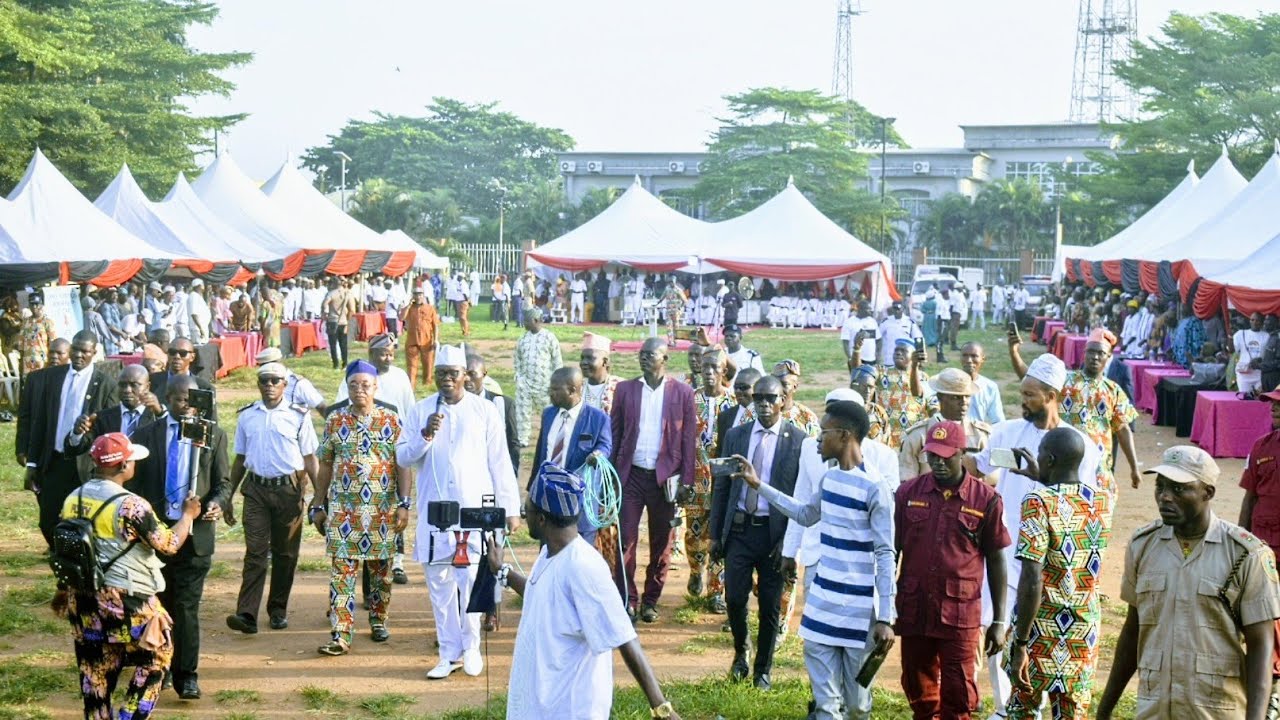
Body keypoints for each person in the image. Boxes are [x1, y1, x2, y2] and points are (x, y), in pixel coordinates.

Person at [1096, 446, 1280, 720]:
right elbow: (1133, 630)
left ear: (1208, 493)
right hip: (1155, 710)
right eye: (1160, 487)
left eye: (1179, 489)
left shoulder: (1245, 554)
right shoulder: (1143, 546)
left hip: (1216, 711)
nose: (1165, 497)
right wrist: (1104, 709)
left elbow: (1261, 645)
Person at [488, 464, 682, 720]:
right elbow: (541, 596)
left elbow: (624, 636)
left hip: (569, 709)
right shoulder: (550, 552)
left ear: (543, 519)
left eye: (528, 511)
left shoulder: (583, 567)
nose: (525, 517)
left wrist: (661, 708)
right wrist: (502, 571)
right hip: (541, 705)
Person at [970, 353, 1103, 716]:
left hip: (1054, 560)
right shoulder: (1007, 431)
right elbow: (977, 468)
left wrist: (1038, 478)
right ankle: (1005, 707)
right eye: (1022, 393)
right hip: (1003, 549)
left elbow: (1080, 501)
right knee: (996, 626)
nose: (1022, 400)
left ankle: (1034, 702)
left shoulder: (1081, 446)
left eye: (1030, 394)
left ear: (1051, 395)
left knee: (1038, 633)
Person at [753, 400, 895, 719]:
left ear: (844, 436)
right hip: (821, 607)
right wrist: (757, 485)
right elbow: (805, 514)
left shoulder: (876, 489)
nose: (817, 440)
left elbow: (886, 554)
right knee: (827, 707)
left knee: (857, 706)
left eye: (823, 432)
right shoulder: (829, 479)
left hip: (860, 612)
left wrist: (886, 616)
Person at [56, 433, 201, 720]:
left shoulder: (74, 498)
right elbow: (168, 544)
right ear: (124, 466)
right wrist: (188, 516)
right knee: (158, 654)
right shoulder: (132, 505)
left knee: (95, 670)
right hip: (128, 600)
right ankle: (130, 716)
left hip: (84, 599)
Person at [396, 346, 521, 679]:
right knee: (439, 584)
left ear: (465, 375)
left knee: (470, 581)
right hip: (435, 513)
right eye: (441, 374)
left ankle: (471, 648)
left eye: (453, 373)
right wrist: (425, 435)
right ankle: (447, 652)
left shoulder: (484, 410)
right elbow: (403, 457)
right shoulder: (421, 410)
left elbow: (500, 462)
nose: (447, 380)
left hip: (473, 511)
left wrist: (509, 508)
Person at [896, 420, 1010, 720]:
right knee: (917, 684)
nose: (938, 463)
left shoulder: (986, 500)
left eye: (946, 456)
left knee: (959, 692)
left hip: (959, 613)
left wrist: (999, 619)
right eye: (932, 456)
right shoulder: (908, 493)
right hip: (915, 607)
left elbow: (997, 559)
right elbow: (890, 551)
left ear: (962, 453)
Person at [127, 375, 231, 700]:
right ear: (168, 399)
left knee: (185, 607)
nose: (187, 405)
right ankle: (162, 667)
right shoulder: (146, 436)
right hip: (155, 537)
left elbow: (223, 483)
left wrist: (215, 504)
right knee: (159, 604)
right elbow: (133, 486)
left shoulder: (212, 434)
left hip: (195, 537)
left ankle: (187, 675)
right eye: (180, 399)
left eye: (192, 399)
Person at [1005, 428, 1112, 719]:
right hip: (1082, 632)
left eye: (1040, 453)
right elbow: (1069, 504)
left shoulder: (1038, 502)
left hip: (1041, 629)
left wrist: (1021, 643)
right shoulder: (1103, 502)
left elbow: (1032, 577)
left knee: (1022, 709)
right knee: (1071, 713)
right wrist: (1044, 477)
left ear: (1049, 459)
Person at [710, 374, 805, 690]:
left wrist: (789, 544)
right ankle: (741, 651)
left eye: (770, 398)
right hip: (739, 530)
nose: (764, 404)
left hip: (773, 537)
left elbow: (799, 498)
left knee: (769, 605)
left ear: (783, 400)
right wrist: (714, 534)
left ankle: (763, 670)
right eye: (758, 398)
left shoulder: (798, 441)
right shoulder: (736, 435)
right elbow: (721, 485)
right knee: (735, 599)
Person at [310, 360, 410, 656]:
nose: (359, 391)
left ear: (375, 386)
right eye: (353, 385)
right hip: (344, 511)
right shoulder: (335, 419)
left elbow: (402, 463)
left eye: (365, 385)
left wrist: (404, 503)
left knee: (382, 571)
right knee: (342, 572)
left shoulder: (391, 419)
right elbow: (325, 463)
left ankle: (378, 620)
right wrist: (318, 502)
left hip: (382, 510)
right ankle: (341, 634)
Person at [224, 362, 318, 635]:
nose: (269, 385)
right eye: (264, 381)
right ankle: (247, 613)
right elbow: (240, 459)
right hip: (256, 490)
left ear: (285, 385)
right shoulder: (247, 416)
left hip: (289, 491)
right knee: (255, 552)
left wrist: (319, 497)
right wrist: (228, 495)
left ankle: (277, 609)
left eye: (275, 381)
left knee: (285, 553)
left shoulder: (299, 415)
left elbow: (311, 458)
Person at [609, 336, 697, 623]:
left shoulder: (682, 393)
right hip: (631, 475)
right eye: (642, 353)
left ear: (665, 359)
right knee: (625, 540)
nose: (645, 357)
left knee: (663, 543)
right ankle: (628, 599)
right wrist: (612, 474)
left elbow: (687, 441)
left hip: (664, 479)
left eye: (651, 354)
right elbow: (616, 432)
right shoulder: (625, 390)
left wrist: (685, 481)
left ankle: (651, 600)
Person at [1010, 327, 1140, 494]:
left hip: (1100, 468)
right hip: (1065, 464)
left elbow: (1123, 430)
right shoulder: (1066, 381)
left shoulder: (1113, 391)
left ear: (1108, 357)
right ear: (1083, 353)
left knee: (1098, 512)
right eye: (1091, 351)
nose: (1095, 357)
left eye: (1100, 353)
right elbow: (1030, 379)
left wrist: (1134, 467)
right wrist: (1014, 353)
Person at [18, 330, 117, 545]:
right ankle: (61, 557)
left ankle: (82, 565)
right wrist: (32, 463)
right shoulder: (54, 377)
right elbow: (40, 422)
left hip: (86, 466)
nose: (79, 355)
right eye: (75, 349)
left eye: (85, 351)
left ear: (94, 352)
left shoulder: (106, 383)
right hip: (55, 459)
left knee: (86, 522)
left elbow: (109, 428)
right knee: (48, 520)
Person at [529, 367, 612, 541]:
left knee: (578, 558)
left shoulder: (597, 418)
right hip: (548, 500)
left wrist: (598, 454)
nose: (550, 394)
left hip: (578, 504)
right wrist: (532, 490)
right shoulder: (549, 414)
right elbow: (540, 454)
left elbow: (605, 445)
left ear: (572, 390)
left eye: (555, 390)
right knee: (549, 556)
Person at [686, 348, 736, 611]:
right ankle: (696, 570)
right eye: (704, 367)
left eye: (714, 367)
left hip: (722, 483)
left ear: (724, 372)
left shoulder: (734, 403)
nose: (708, 372)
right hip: (694, 481)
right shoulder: (689, 400)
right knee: (695, 534)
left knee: (719, 536)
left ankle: (716, 591)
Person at [898, 368, 991, 481]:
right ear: (939, 397)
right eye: (956, 397)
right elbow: (907, 481)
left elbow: (990, 481)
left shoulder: (980, 435)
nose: (963, 402)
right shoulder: (918, 435)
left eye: (967, 396)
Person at [64, 365, 165, 457]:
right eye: (122, 385)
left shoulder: (156, 416)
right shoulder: (103, 417)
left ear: (147, 387)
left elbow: (169, 440)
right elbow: (76, 449)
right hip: (113, 475)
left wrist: (160, 413)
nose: (127, 390)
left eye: (134, 385)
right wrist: (77, 433)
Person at [464, 354, 521, 476]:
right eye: (463, 374)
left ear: (484, 375)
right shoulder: (452, 405)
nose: (467, 379)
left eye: (472, 374)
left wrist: (511, 472)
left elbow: (512, 442)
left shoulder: (503, 404)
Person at [1239, 389, 1280, 558]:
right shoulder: (1261, 446)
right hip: (1264, 544)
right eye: (1273, 403)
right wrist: (1240, 538)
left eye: (1279, 405)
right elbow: (1250, 496)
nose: (1273, 408)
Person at [513, 313, 563, 447]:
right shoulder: (522, 338)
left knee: (548, 412)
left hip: (544, 384)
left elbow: (557, 361)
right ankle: (522, 439)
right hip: (525, 384)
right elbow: (517, 358)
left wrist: (556, 383)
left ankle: (551, 437)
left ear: (535, 320)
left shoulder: (549, 337)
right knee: (522, 412)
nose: (524, 323)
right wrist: (518, 376)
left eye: (527, 321)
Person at [877, 339, 936, 449]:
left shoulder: (923, 377)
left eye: (903, 351)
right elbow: (860, 373)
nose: (898, 353)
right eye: (896, 350)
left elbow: (920, 395)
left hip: (913, 436)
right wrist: (857, 350)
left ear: (913, 355)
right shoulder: (882, 372)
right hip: (887, 436)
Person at [149, 338, 217, 421]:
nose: (177, 357)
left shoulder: (204, 388)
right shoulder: (151, 382)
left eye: (183, 353)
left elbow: (211, 423)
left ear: (192, 357)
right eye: (172, 352)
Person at [400, 287, 440, 390]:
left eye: (420, 294)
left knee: (428, 363)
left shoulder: (430, 308)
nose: (418, 297)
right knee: (412, 366)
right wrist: (408, 305)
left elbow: (435, 325)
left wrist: (435, 339)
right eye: (416, 294)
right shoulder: (409, 308)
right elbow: (401, 318)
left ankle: (427, 384)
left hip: (427, 341)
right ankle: (411, 386)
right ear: (413, 296)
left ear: (423, 295)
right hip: (412, 340)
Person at [961, 342, 1005, 426]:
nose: (969, 360)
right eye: (965, 355)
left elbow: (998, 421)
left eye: (974, 356)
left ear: (983, 359)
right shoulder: (950, 383)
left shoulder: (990, 387)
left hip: (978, 435)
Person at [580, 332, 622, 414]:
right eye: (582, 358)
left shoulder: (619, 387)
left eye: (589, 358)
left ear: (605, 362)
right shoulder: (577, 387)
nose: (584, 362)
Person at [19, 293, 57, 374]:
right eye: (32, 304)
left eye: (37, 304)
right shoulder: (25, 322)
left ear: (41, 305)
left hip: (42, 364)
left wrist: (51, 363)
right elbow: (21, 345)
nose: (34, 307)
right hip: (27, 364)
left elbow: (53, 344)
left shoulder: (47, 322)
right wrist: (21, 365)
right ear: (29, 305)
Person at [322, 278, 356, 369]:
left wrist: (325, 313)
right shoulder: (348, 294)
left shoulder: (331, 293)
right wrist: (348, 321)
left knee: (333, 344)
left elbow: (325, 304)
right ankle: (345, 364)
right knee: (343, 344)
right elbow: (352, 310)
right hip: (343, 321)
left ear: (333, 284)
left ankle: (336, 364)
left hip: (332, 321)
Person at [1235, 311, 1270, 396]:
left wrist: (1260, 359)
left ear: (1262, 322)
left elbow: (1268, 355)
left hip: (1259, 374)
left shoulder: (1267, 336)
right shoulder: (1240, 334)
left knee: (1259, 399)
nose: (1254, 322)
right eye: (1252, 320)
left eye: (1257, 320)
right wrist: (1228, 336)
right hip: (1244, 374)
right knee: (1245, 398)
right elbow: (1234, 350)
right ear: (1249, 321)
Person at [877, 302, 922, 366]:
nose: (896, 311)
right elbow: (877, 336)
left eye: (898, 309)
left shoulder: (909, 322)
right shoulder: (886, 321)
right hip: (889, 359)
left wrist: (919, 358)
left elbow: (918, 338)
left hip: (905, 358)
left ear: (903, 309)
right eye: (895, 309)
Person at [841, 301, 879, 372]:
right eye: (868, 309)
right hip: (856, 358)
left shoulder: (872, 321)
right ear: (860, 309)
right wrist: (849, 357)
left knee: (870, 380)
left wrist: (878, 356)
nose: (870, 311)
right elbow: (845, 342)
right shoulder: (849, 322)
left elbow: (877, 339)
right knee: (857, 380)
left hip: (870, 358)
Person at [661, 277, 686, 343]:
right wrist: (657, 303)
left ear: (675, 282)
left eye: (673, 282)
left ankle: (676, 340)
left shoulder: (678, 290)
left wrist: (680, 307)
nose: (672, 283)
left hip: (676, 311)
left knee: (676, 326)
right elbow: (662, 297)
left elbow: (685, 300)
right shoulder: (667, 289)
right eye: (670, 282)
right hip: (668, 310)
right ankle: (670, 341)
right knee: (668, 326)